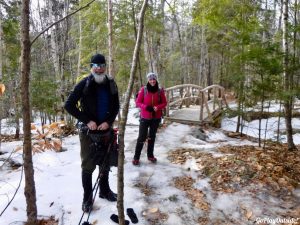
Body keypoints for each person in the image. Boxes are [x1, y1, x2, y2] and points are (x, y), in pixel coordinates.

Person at [64, 53, 120, 212]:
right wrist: (87, 121)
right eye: (97, 66)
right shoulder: (84, 84)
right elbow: (69, 105)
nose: (100, 69)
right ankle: (87, 198)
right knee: (88, 165)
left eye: (102, 66)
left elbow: (116, 106)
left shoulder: (111, 83)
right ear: (91, 67)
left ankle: (104, 190)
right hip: (88, 132)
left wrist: (107, 122)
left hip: (106, 131)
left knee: (105, 163)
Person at [132, 72, 167, 166]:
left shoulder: (160, 90)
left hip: (156, 117)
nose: (152, 81)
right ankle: (136, 157)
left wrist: (158, 107)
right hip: (145, 117)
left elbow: (164, 103)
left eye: (154, 79)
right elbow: (138, 102)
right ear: (148, 80)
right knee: (141, 137)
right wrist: (145, 107)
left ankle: (150, 155)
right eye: (150, 79)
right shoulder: (143, 89)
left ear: (156, 79)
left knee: (152, 136)